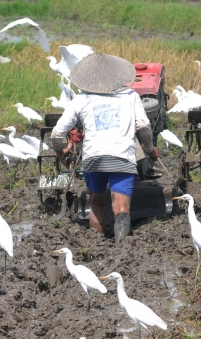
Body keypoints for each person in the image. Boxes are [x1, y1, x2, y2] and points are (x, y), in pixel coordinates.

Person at [50, 53, 159, 242]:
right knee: (122, 206)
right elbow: (142, 126)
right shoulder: (131, 96)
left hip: (94, 158)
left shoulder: (81, 99)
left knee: (96, 201)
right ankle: (121, 248)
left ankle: (96, 245)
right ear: (118, 76)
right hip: (122, 156)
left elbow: (56, 133)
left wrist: (61, 153)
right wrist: (150, 150)